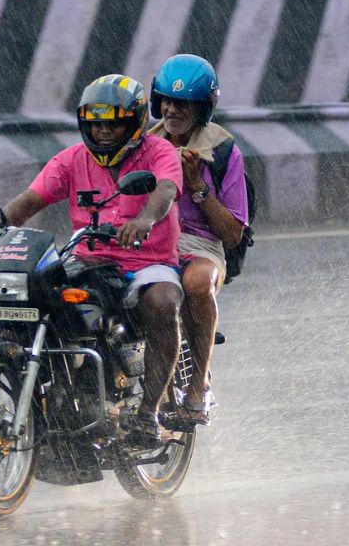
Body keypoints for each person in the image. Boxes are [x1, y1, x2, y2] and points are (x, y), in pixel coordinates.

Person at [0, 74, 184, 445]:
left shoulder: (160, 152)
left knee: (163, 303)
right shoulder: (71, 159)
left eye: (112, 122)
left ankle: (148, 413)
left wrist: (145, 220)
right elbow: (33, 198)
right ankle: (60, 396)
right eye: (95, 123)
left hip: (146, 261)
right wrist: (0, 221)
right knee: (36, 296)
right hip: (87, 258)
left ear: (133, 122)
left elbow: (164, 190)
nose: (102, 131)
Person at [146, 54, 249, 426]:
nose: (172, 110)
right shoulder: (144, 145)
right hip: (151, 239)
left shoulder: (223, 151)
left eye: (183, 104)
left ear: (203, 107)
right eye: (167, 102)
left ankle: (199, 383)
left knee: (195, 282)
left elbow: (233, 234)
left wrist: (198, 187)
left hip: (200, 245)